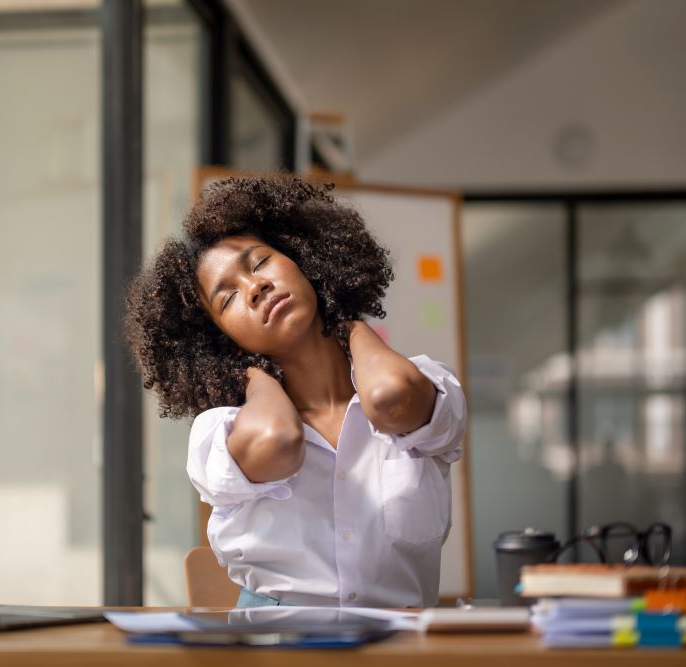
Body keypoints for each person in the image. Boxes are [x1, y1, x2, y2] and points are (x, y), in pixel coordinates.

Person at [125, 175, 467, 608]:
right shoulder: (220, 432)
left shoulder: (425, 381)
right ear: (218, 337)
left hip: (398, 650)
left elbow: (390, 399)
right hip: (276, 652)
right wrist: (252, 374)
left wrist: (352, 326)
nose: (254, 289)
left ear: (304, 258)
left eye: (260, 263)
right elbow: (279, 440)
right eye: (227, 299)